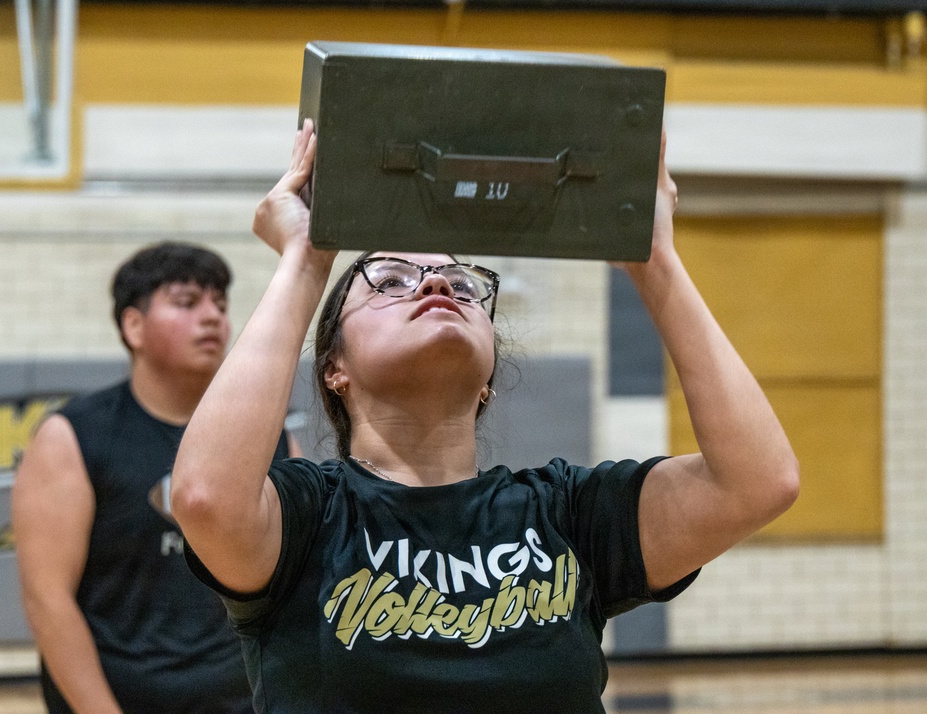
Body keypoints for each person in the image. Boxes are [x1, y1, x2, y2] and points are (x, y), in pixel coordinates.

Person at [170, 120, 800, 713]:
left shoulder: (568, 514)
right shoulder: (312, 516)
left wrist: (655, 258)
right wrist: (304, 262)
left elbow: (757, 482)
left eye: (463, 282)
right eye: (388, 279)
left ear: (487, 384)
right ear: (335, 369)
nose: (436, 285)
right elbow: (204, 499)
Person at [12, 241, 299, 714]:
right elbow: (48, 604)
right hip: (119, 698)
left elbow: (288, 591)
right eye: (188, 303)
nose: (213, 318)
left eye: (221, 305)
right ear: (133, 326)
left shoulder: (267, 437)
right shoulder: (72, 436)